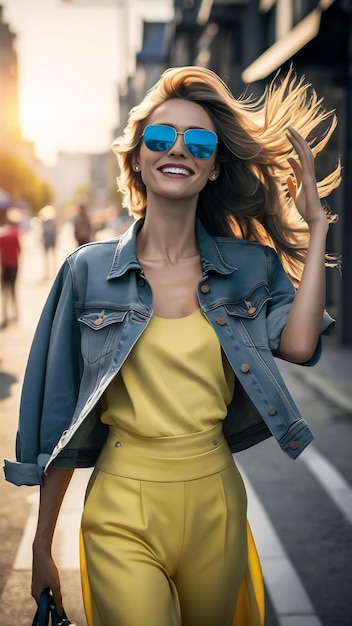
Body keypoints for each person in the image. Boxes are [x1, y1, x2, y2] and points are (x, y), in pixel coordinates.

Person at [4, 66, 341, 626]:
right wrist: (42, 542)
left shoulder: (248, 269)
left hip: (216, 504)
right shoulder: (85, 273)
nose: (177, 149)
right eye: (161, 138)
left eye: (199, 141)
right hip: (119, 508)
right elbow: (59, 414)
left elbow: (302, 346)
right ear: (138, 158)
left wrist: (317, 226)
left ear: (212, 169)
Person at [0, 207, 22, 328]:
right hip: (14, 265)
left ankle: (4, 315)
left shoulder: (2, 236)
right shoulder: (15, 235)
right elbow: (19, 251)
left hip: (4, 267)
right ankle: (16, 313)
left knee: (4, 292)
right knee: (13, 289)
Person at [38, 205, 58, 280]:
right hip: (52, 239)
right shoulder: (53, 220)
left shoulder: (43, 221)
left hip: (47, 239)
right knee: (53, 256)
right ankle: (53, 270)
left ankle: (47, 271)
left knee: (46, 257)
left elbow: (42, 231)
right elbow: (55, 230)